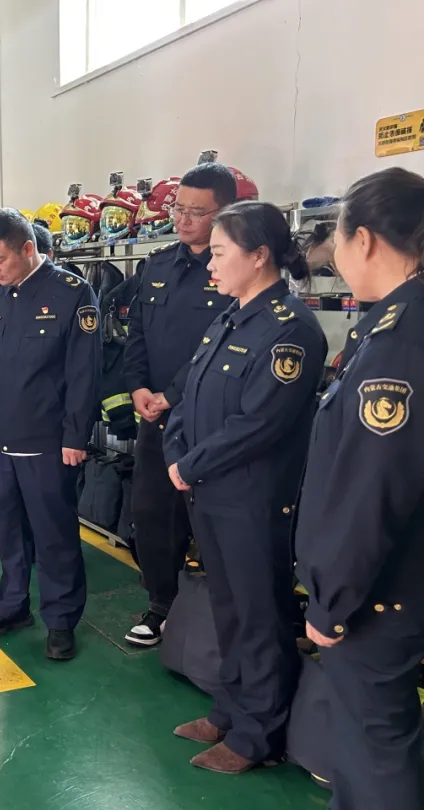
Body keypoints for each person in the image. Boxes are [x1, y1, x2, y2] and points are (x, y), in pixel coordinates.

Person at [162, 202, 326, 773]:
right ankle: (229, 709)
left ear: (258, 256)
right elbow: (189, 395)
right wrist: (177, 454)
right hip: (209, 490)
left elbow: (260, 424)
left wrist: (191, 465)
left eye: (220, 252)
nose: (209, 263)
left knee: (260, 614)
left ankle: (258, 736)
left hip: (252, 498)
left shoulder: (291, 330)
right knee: (228, 608)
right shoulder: (231, 317)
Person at [295, 167, 424, 810]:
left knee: (374, 745)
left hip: (381, 593)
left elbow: (372, 489)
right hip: (398, 580)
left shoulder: (399, 340)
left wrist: (332, 603)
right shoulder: (395, 325)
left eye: (340, 241)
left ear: (364, 239)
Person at [0, 208, 102, 660]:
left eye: (0, 259)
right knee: (9, 530)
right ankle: (13, 607)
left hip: (48, 442)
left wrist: (75, 436)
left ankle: (61, 620)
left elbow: (84, 373)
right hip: (1, 439)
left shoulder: (72, 294)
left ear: (28, 249)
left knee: (53, 534)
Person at [121, 162, 237, 647]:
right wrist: (138, 387)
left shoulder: (233, 269)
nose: (183, 220)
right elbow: (137, 332)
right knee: (153, 513)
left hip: (211, 418)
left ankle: (217, 617)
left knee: (213, 519)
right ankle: (160, 605)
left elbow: (222, 344)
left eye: (196, 212)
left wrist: (173, 393)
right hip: (157, 416)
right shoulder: (158, 265)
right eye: (178, 209)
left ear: (224, 213)